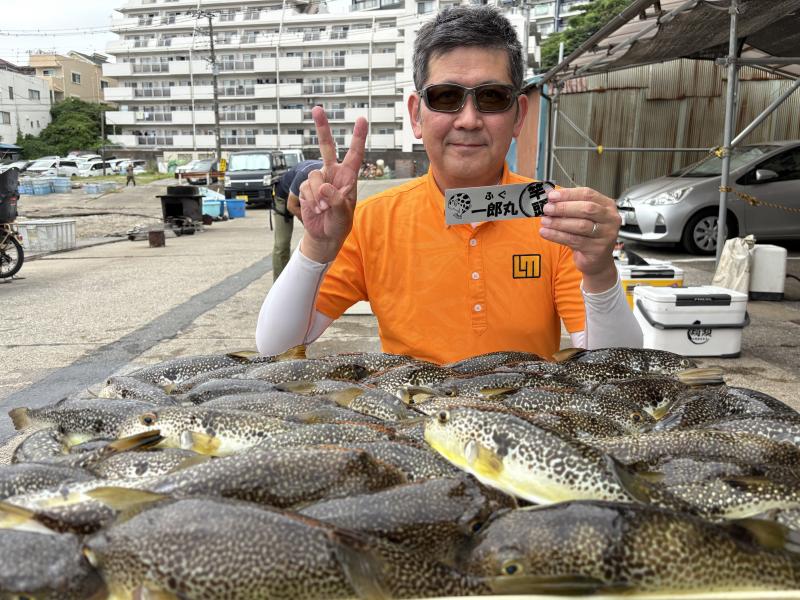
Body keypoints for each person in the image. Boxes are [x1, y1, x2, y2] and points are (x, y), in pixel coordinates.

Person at [256, 5, 642, 364]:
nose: (469, 119)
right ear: (417, 115)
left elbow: (615, 367)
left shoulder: (555, 217)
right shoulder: (372, 221)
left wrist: (599, 270)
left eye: (492, 97)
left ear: (518, 115)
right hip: (409, 427)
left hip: (523, 427)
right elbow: (276, 347)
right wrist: (317, 248)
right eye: (446, 97)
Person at [272, 159, 323, 281]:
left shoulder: (337, 180)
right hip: (285, 200)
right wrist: (309, 225)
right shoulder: (305, 174)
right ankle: (279, 283)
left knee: (320, 242)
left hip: (308, 199)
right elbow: (292, 205)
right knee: (282, 244)